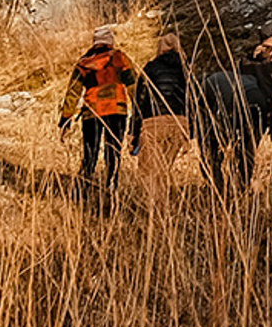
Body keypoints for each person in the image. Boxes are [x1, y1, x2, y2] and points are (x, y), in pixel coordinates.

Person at [57, 24, 136, 207]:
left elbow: (72, 93)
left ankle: (80, 194)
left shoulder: (83, 63)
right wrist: (139, 111)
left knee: (89, 156)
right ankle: (111, 191)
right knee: (113, 153)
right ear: (110, 42)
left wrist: (65, 119)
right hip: (116, 110)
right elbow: (133, 85)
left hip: (91, 113)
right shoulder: (119, 58)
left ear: (95, 43)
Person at [129, 39, 193, 185]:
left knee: (149, 172)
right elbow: (193, 99)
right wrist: (191, 130)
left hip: (154, 122)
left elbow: (139, 100)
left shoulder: (151, 67)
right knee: (164, 169)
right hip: (179, 122)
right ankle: (164, 205)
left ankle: (155, 206)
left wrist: (133, 132)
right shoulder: (185, 69)